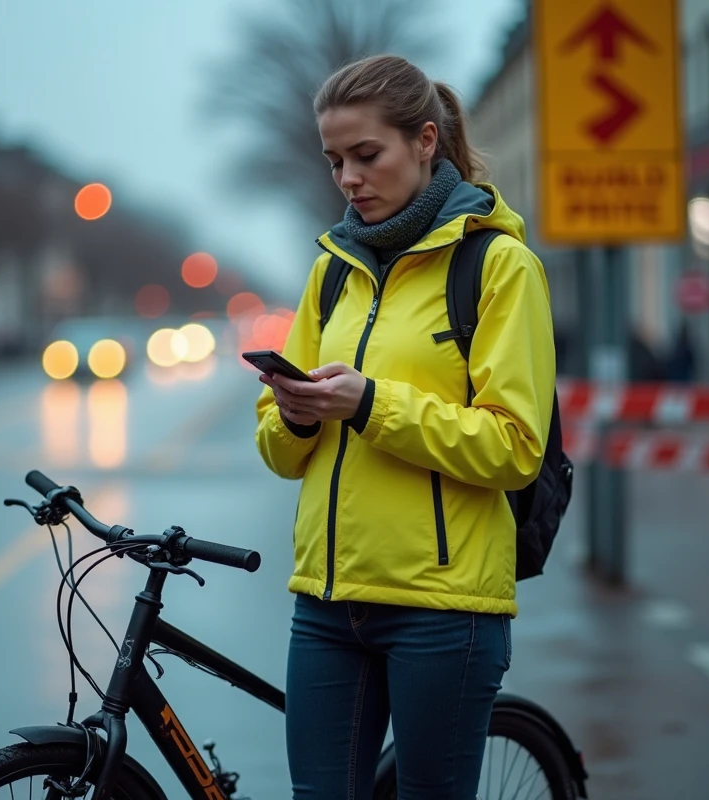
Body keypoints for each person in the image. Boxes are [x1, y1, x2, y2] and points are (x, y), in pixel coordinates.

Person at [253, 55, 556, 799]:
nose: (349, 178)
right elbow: (279, 451)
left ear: (425, 141)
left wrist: (369, 405)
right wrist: (292, 415)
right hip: (325, 605)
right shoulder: (332, 271)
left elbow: (515, 448)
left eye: (366, 155)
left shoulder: (499, 266)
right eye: (334, 161)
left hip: (443, 611)